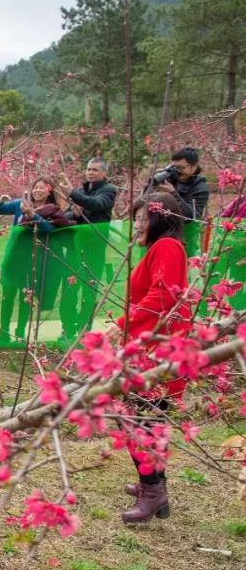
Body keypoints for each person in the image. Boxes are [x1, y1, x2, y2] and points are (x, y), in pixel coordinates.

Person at [105, 193, 192, 524]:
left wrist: (120, 326)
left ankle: (153, 491)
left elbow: (163, 296)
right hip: (154, 348)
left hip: (158, 352)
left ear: (161, 218)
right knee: (148, 420)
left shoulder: (167, 247)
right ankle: (155, 488)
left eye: (143, 218)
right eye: (136, 218)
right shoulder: (161, 249)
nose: (138, 225)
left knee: (138, 420)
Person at [0, 177, 75, 345]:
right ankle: (3, 333)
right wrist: (0, 200)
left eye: (41, 188)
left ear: (49, 190)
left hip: (33, 259)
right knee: (7, 296)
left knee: (26, 298)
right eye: (35, 187)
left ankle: (20, 332)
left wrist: (33, 216)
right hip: (14, 256)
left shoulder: (53, 210)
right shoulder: (19, 204)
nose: (37, 190)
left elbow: (51, 230)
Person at [59, 158, 118, 343]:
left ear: (104, 173)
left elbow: (97, 204)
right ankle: (68, 329)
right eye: (88, 169)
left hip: (94, 249)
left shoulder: (109, 190)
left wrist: (72, 193)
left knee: (89, 291)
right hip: (75, 248)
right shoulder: (82, 190)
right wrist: (74, 213)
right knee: (69, 290)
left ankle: (85, 331)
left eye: (94, 170)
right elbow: (68, 214)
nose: (90, 172)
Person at [155, 147, 209, 255]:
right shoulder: (169, 178)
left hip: (184, 240)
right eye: (174, 167)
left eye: (181, 168)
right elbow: (145, 200)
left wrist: (172, 193)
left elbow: (189, 216)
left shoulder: (201, 188)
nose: (177, 171)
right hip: (159, 235)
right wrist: (155, 182)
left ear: (194, 166)